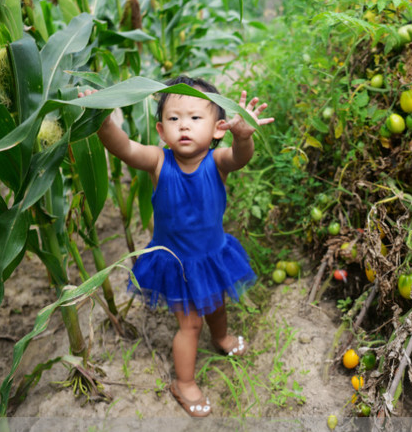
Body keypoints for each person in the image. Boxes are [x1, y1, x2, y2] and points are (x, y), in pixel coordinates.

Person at [83, 76, 273, 417]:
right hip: (179, 263)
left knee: (216, 304)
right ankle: (183, 383)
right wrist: (104, 122)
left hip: (212, 255)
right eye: (174, 118)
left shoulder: (217, 162)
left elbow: (240, 158)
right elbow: (124, 148)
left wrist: (243, 137)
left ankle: (223, 339)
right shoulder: (158, 161)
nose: (184, 125)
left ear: (218, 128)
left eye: (195, 118)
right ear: (160, 130)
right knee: (191, 325)